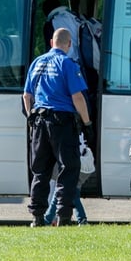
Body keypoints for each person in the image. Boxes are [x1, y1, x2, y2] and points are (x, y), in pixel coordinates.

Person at [23, 27, 94, 227]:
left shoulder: (37, 63)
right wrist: (87, 122)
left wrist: (30, 117)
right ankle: (64, 216)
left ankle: (37, 217)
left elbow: (27, 96)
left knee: (40, 171)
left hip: (38, 121)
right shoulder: (67, 64)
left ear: (52, 42)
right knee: (69, 168)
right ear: (69, 44)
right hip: (61, 122)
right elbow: (78, 97)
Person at [44, 134, 94, 226]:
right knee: (66, 192)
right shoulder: (76, 128)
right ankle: (49, 218)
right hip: (81, 164)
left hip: (72, 162)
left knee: (65, 192)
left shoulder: (65, 127)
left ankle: (49, 219)